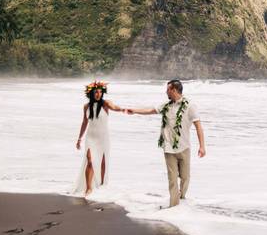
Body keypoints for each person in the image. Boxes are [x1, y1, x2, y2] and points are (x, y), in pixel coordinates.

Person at [127, 79, 206, 207]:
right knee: (172, 179)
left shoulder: (190, 106)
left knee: (185, 177)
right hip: (169, 148)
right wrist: (135, 111)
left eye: (167, 89)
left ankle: (182, 196)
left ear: (174, 90)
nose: (166, 91)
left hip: (184, 147)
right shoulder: (166, 106)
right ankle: (173, 206)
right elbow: (151, 110)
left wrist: (202, 146)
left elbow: (198, 126)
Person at [72, 81, 125, 196]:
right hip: (91, 137)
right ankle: (89, 188)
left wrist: (122, 109)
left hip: (103, 137)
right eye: (96, 92)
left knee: (102, 162)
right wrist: (79, 139)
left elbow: (115, 107)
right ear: (91, 93)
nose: (99, 94)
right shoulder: (86, 106)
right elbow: (84, 122)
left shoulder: (106, 104)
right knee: (90, 161)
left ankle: (101, 186)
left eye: (100, 92)